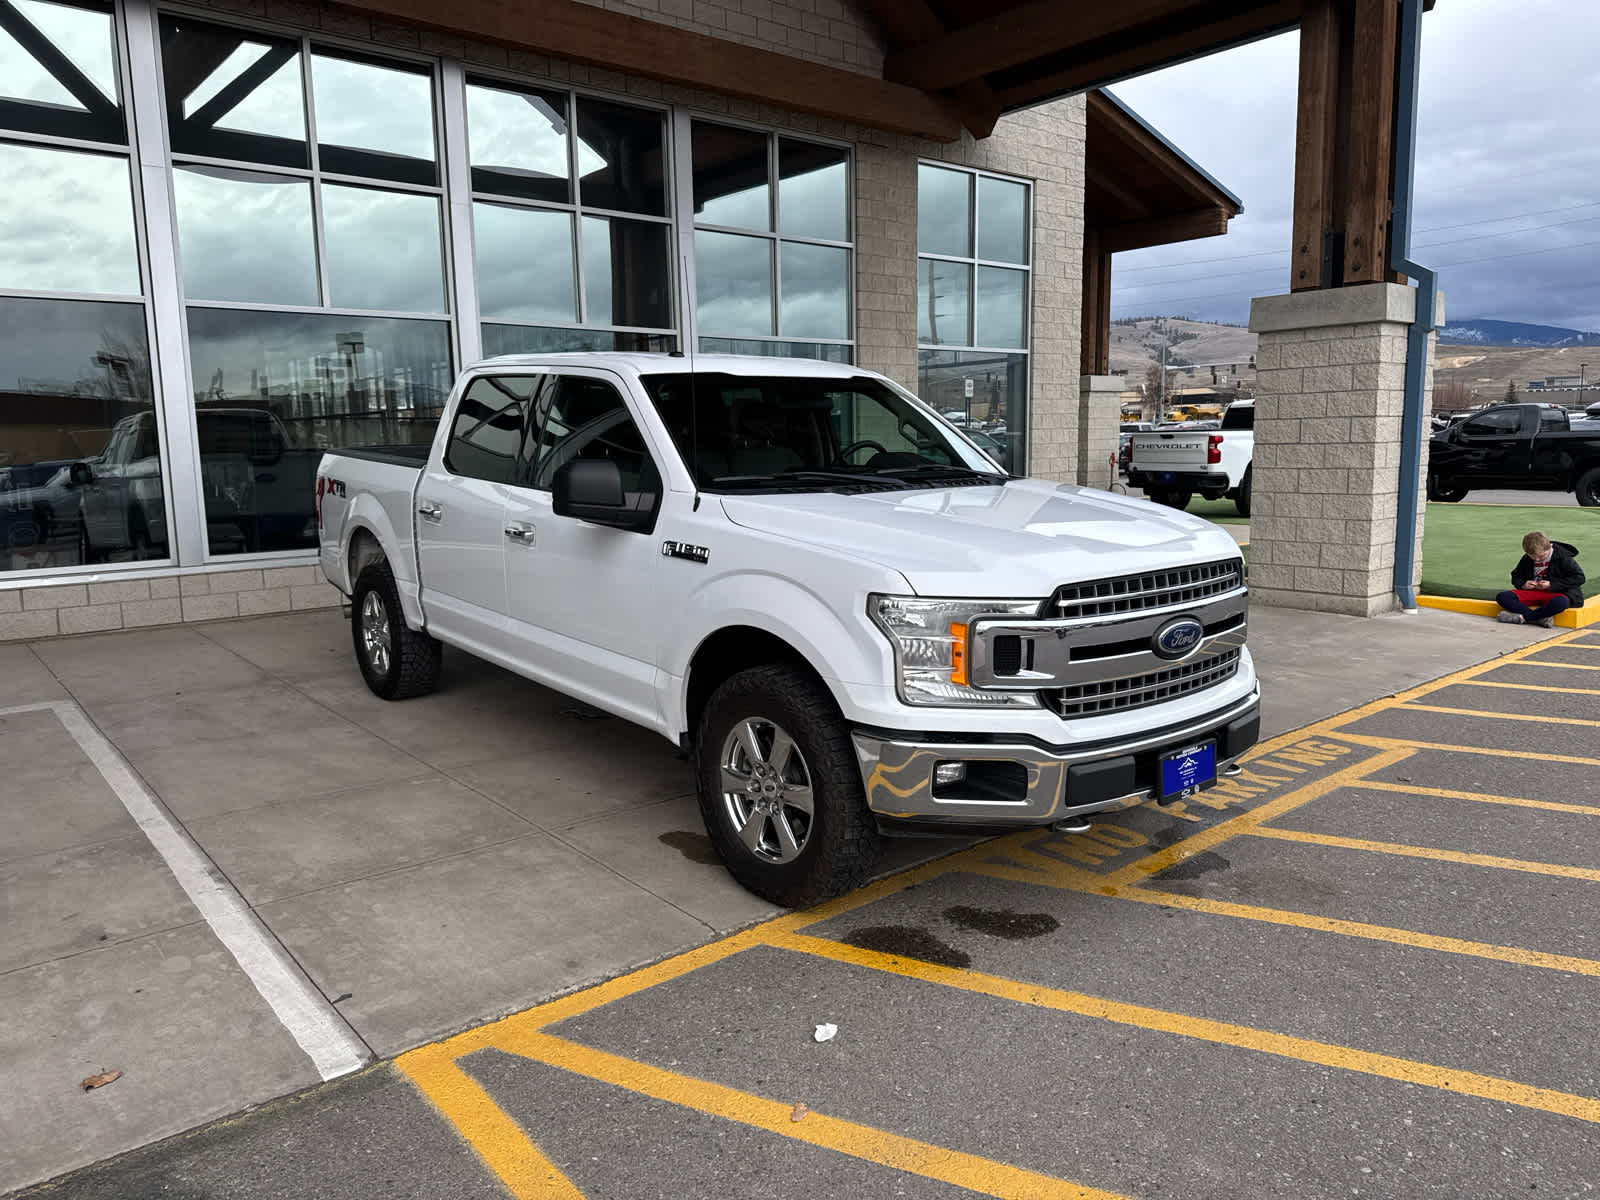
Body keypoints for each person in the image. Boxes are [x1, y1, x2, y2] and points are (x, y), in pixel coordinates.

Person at [1496, 531, 1584, 627]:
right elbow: (1516, 576)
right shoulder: (1527, 558)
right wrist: (1523, 584)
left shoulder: (1563, 557)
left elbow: (1579, 577)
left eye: (1541, 556)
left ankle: (1524, 618)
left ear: (1549, 547)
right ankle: (1539, 618)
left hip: (1558, 593)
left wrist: (1551, 585)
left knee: (1560, 603)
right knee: (1503, 597)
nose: (1537, 559)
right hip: (1534, 592)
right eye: (1532, 557)